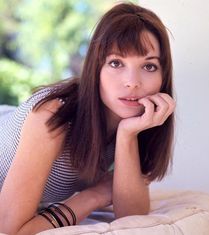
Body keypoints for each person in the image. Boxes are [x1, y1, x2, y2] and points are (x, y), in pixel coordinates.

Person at [0, 2, 175, 234]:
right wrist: (93, 196)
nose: (133, 82)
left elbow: (132, 218)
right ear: (96, 69)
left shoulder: (138, 121)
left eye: (149, 66)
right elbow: (9, 230)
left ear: (164, 76)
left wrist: (127, 135)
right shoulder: (54, 116)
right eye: (116, 63)